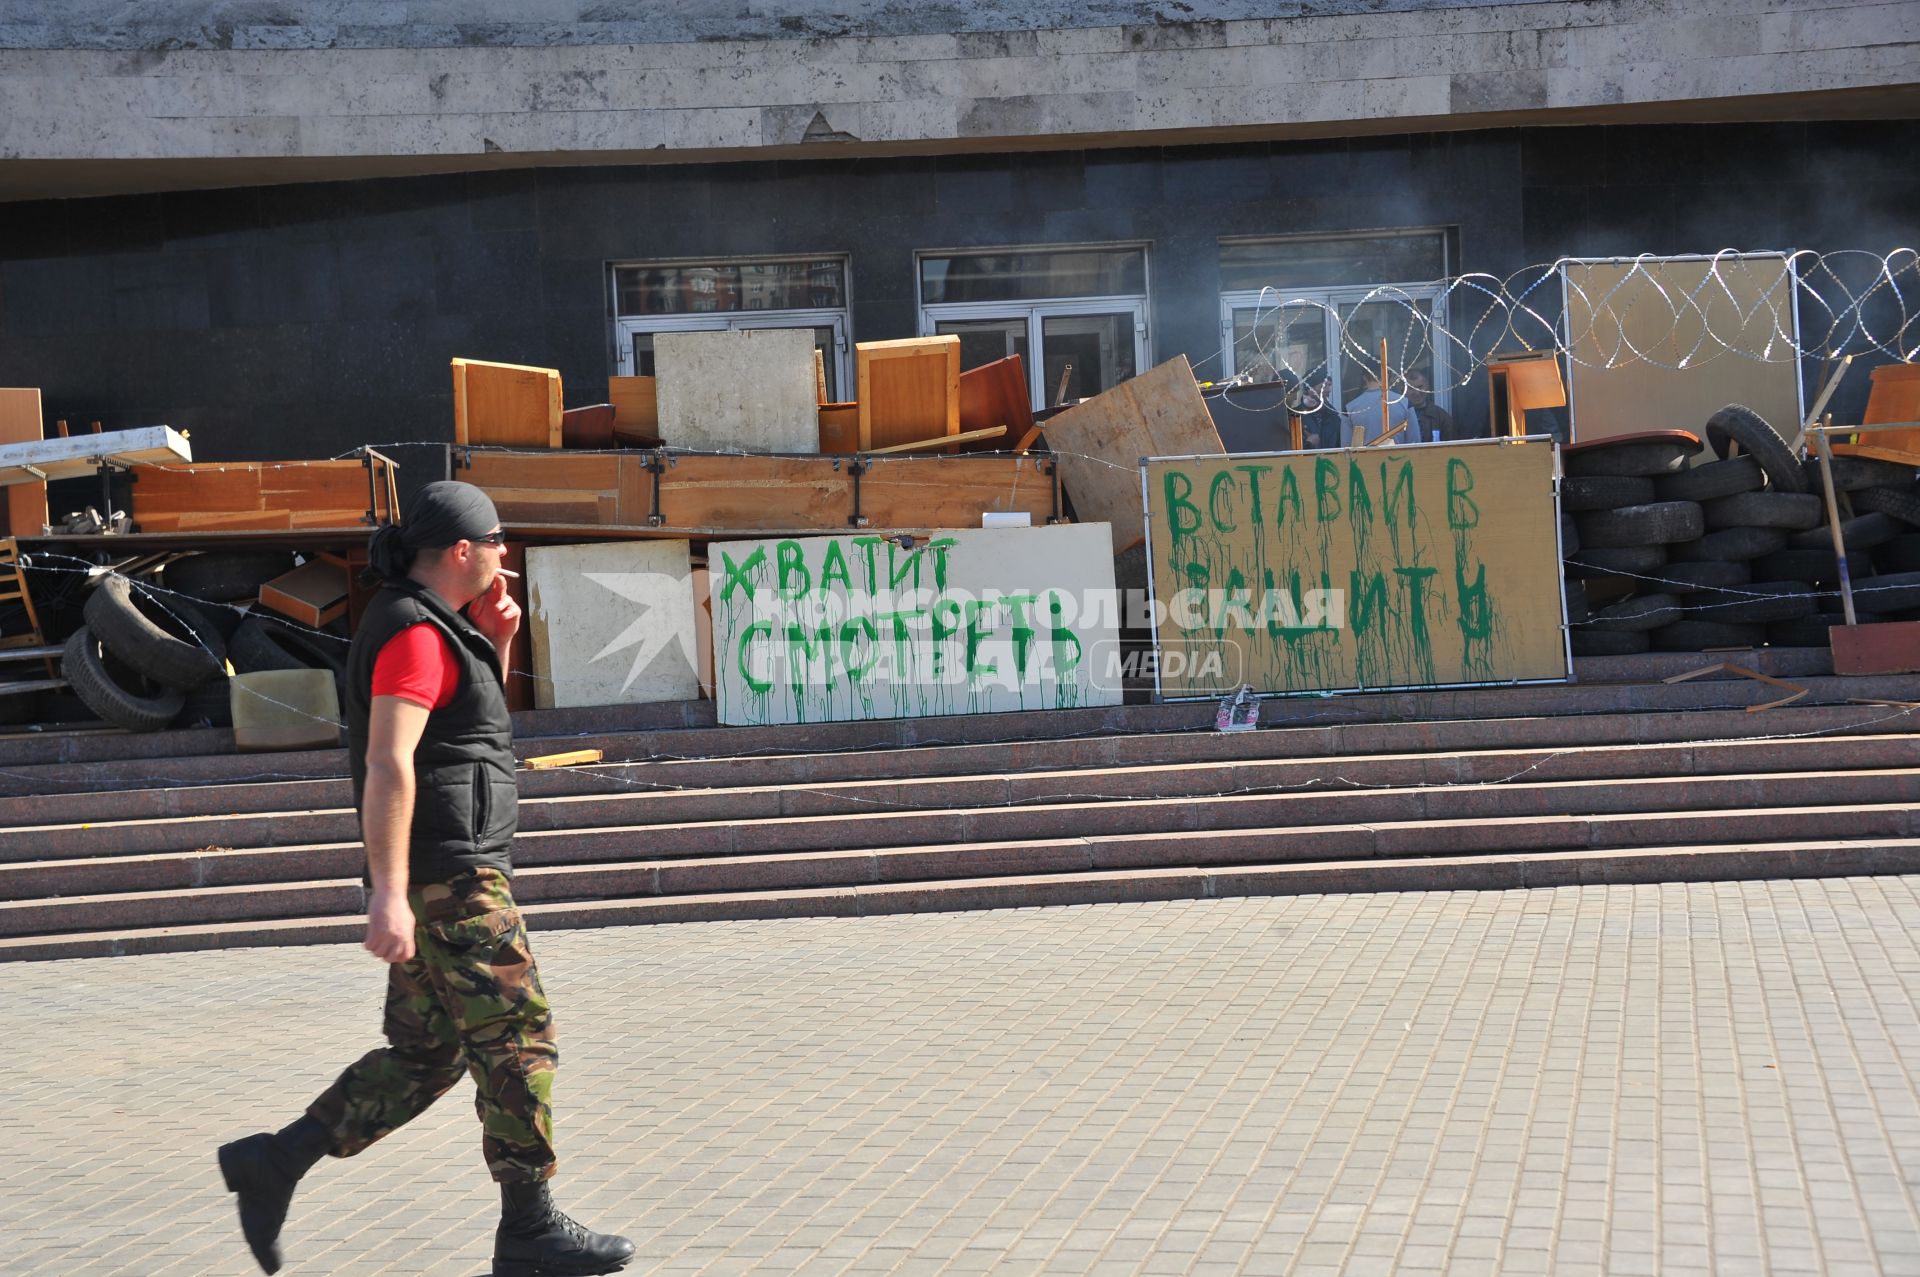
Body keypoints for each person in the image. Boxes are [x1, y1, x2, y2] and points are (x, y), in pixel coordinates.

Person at [217, 481, 634, 1277]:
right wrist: (387, 889)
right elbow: (388, 759)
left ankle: (276, 1161)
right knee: (520, 1038)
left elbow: (465, 734)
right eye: (498, 539)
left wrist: (496, 642)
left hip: (441, 869)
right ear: (462, 550)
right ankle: (530, 1228)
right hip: (452, 879)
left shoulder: (438, 625)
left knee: (428, 1052)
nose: (506, 552)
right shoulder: (411, 630)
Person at [1340, 369, 1419, 448]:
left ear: (1364, 377)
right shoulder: (1405, 403)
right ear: (1387, 375)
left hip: (1365, 459)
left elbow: (1346, 448)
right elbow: (1415, 443)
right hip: (1398, 459)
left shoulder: (1350, 408)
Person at [1406, 371, 1455, 442]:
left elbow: (1451, 447)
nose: (1416, 393)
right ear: (1403, 390)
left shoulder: (1441, 417)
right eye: (1411, 388)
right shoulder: (1399, 416)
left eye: (1420, 387)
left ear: (1427, 387)